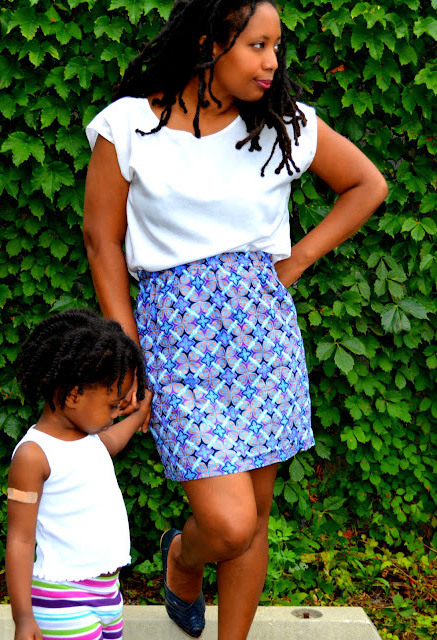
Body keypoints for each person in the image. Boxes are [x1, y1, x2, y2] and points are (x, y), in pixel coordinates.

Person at [82, 0, 388, 639]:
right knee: (228, 522)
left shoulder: (286, 125)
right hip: (176, 336)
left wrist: (296, 259)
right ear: (208, 44)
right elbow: (101, 240)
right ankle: (183, 557)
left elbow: (367, 184)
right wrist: (126, 347)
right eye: (257, 46)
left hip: (262, 335)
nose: (272, 63)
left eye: (277, 48)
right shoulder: (130, 126)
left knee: (259, 510)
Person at [5, 308, 153, 640]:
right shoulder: (33, 455)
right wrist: (23, 617)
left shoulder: (89, 440)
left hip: (108, 591)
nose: (117, 413)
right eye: (113, 405)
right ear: (74, 396)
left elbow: (111, 442)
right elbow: (19, 539)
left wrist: (140, 412)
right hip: (61, 596)